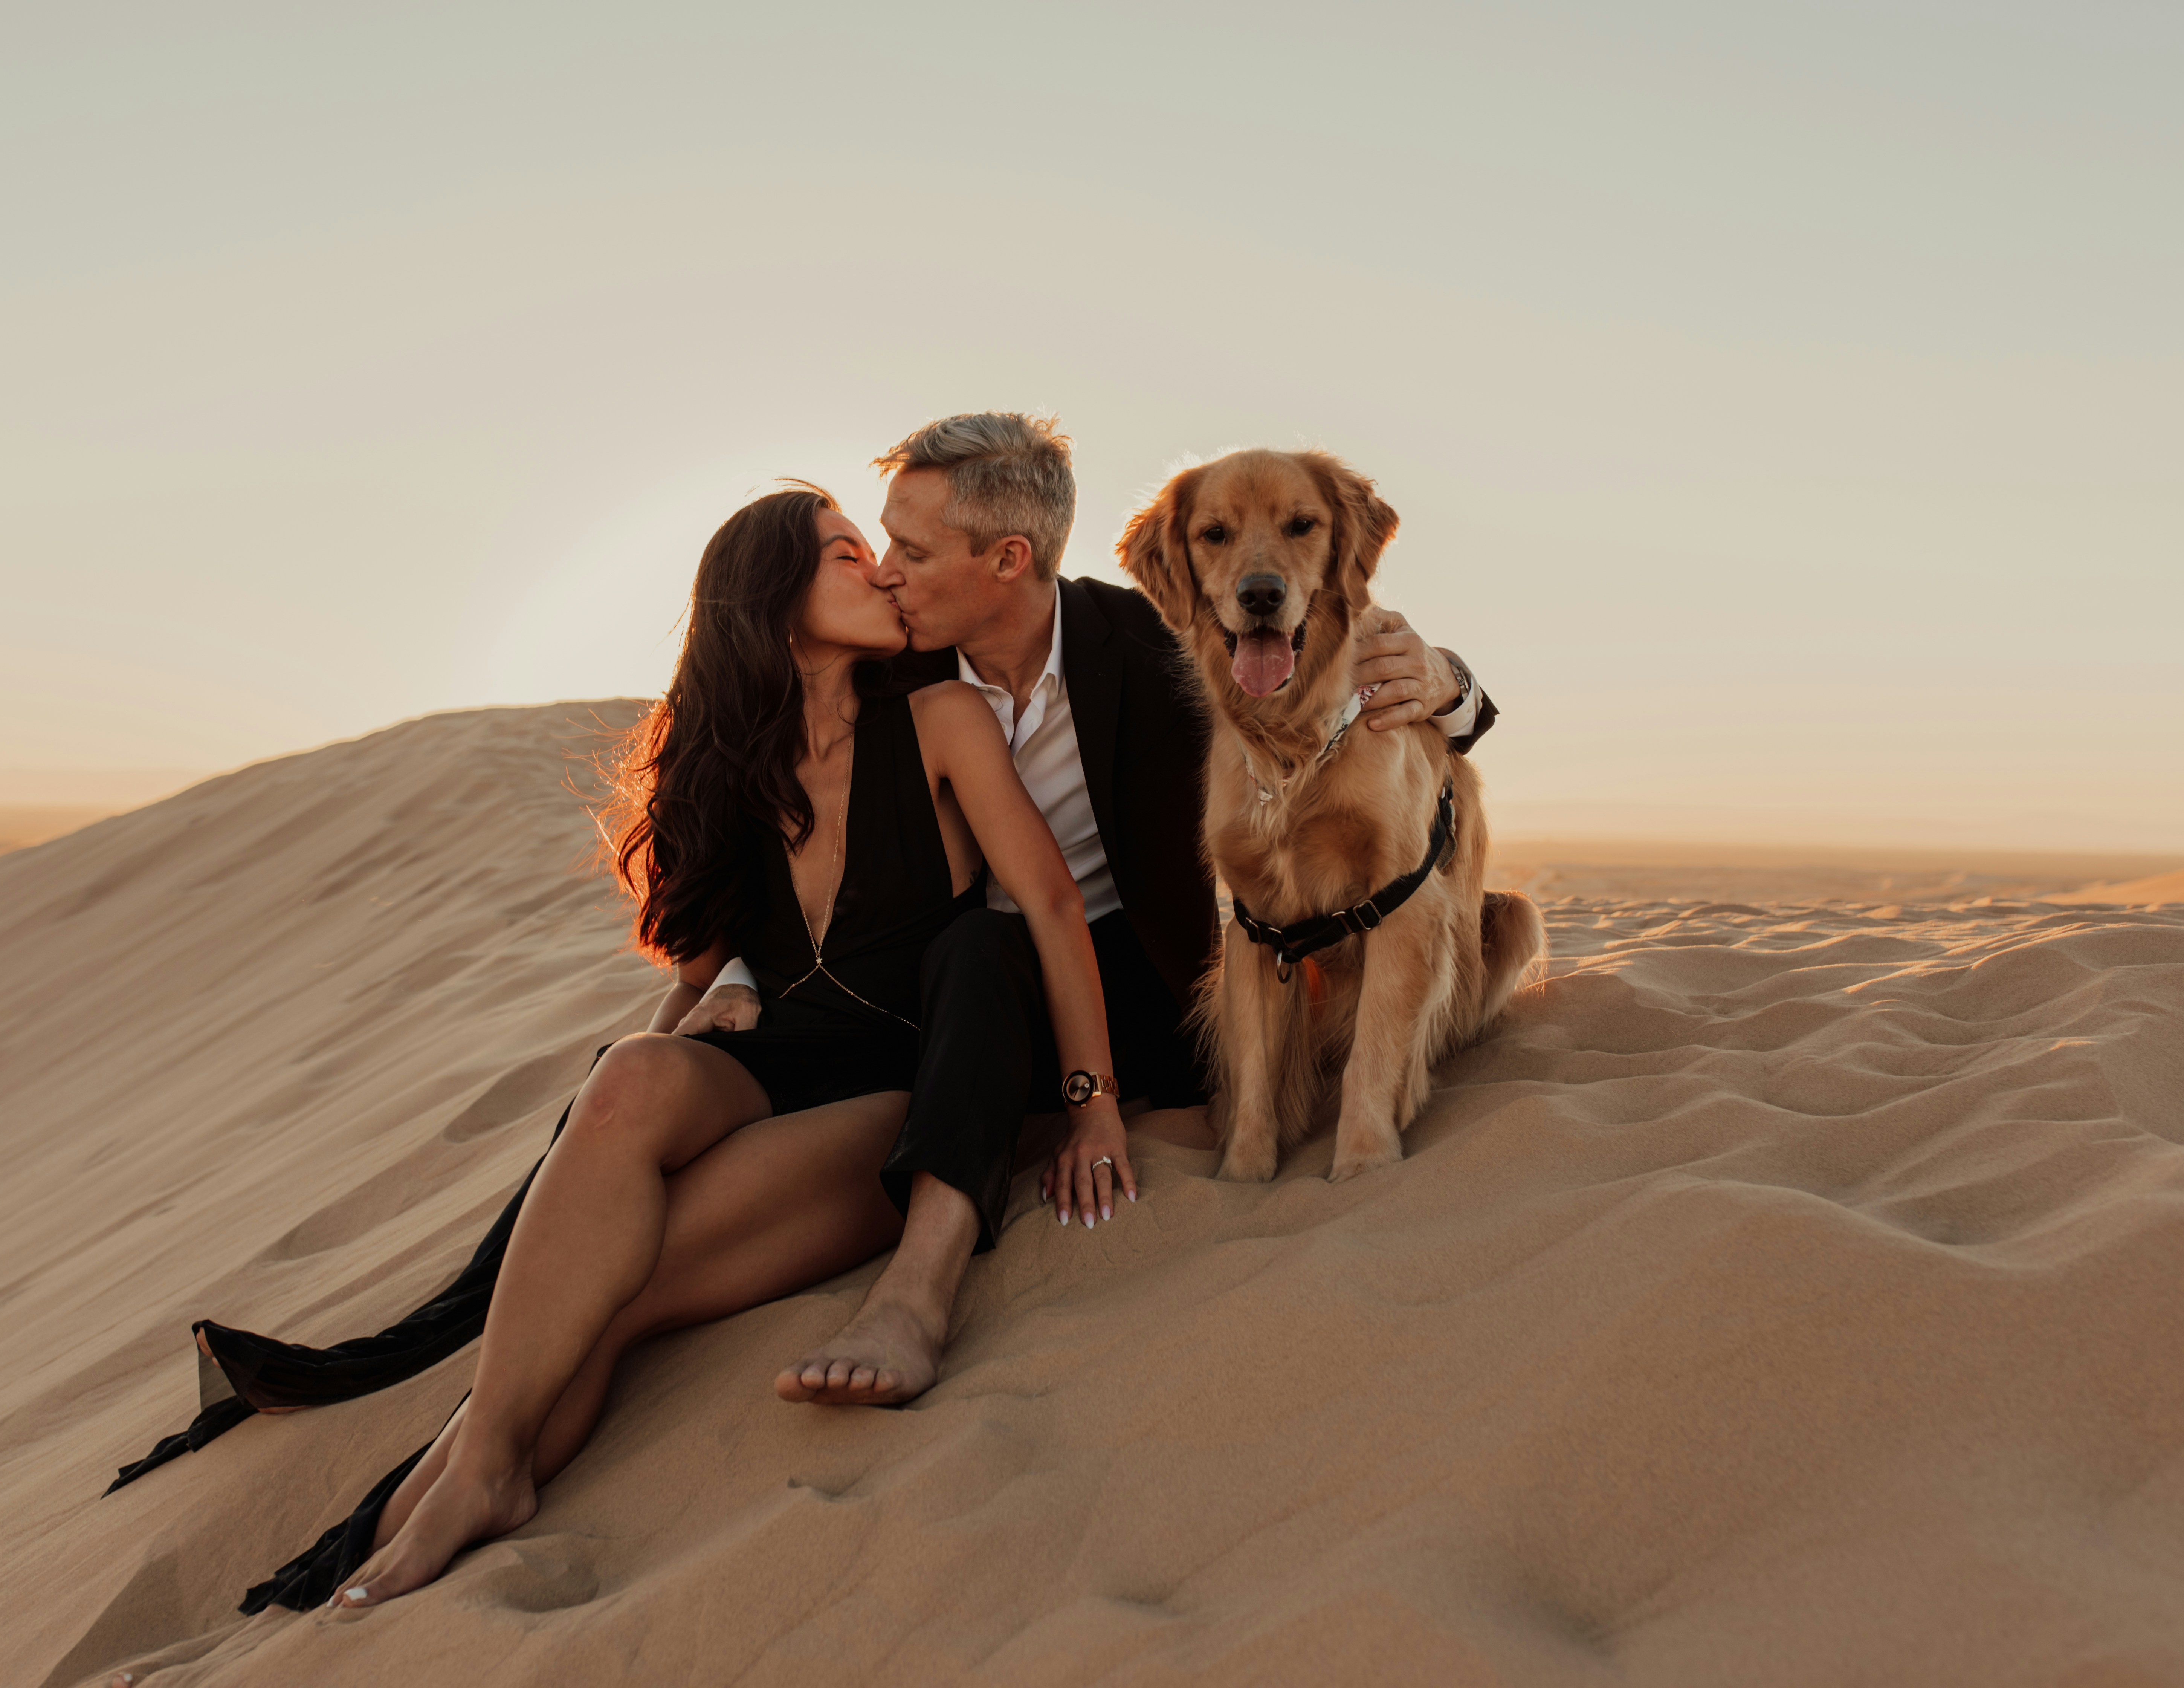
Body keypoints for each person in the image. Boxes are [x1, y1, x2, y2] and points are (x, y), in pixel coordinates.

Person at [102, 481, 1132, 1630]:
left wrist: (1092, 1103)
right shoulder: (734, 771)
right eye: (850, 553)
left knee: (617, 1295)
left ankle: (419, 1516)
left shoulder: (942, 722)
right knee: (633, 1079)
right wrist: (602, 1136)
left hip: (894, 1084)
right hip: (775, 1063)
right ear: (778, 600)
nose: (883, 571)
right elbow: (692, 980)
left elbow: (1042, 906)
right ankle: (472, 1477)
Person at [682, 414, 1498, 1408]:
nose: (887, 572)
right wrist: (729, 971)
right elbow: (769, 807)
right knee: (677, 1085)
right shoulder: (898, 665)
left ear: (1007, 558)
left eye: (913, 548)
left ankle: (918, 1290)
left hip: (1136, 992)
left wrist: (1449, 685)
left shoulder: (1159, 648)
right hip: (945, 1005)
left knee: (985, 951)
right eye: (879, 546)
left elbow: (1334, 672)